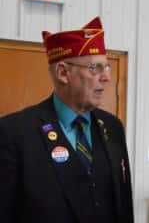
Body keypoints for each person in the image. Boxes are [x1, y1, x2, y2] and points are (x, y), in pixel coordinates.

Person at [0, 16, 134, 223]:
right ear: (63, 73)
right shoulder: (14, 133)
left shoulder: (113, 127)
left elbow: (123, 205)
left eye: (106, 67)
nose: (106, 77)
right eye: (94, 68)